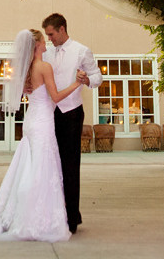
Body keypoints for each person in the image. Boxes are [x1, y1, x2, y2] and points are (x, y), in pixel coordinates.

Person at [0, 29, 84, 242]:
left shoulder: (26, 69)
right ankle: (36, 217)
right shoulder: (44, 67)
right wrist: (77, 83)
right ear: (37, 45)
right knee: (42, 168)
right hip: (43, 122)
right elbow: (55, 97)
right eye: (44, 40)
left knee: (28, 166)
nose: (47, 43)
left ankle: (20, 211)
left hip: (31, 121)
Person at [41, 13, 102, 234]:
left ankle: (72, 218)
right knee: (50, 163)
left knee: (69, 164)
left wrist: (88, 80)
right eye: (47, 35)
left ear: (62, 29)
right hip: (49, 113)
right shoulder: (46, 52)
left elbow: (97, 76)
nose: (49, 39)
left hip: (72, 113)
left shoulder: (81, 50)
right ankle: (51, 213)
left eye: (51, 34)